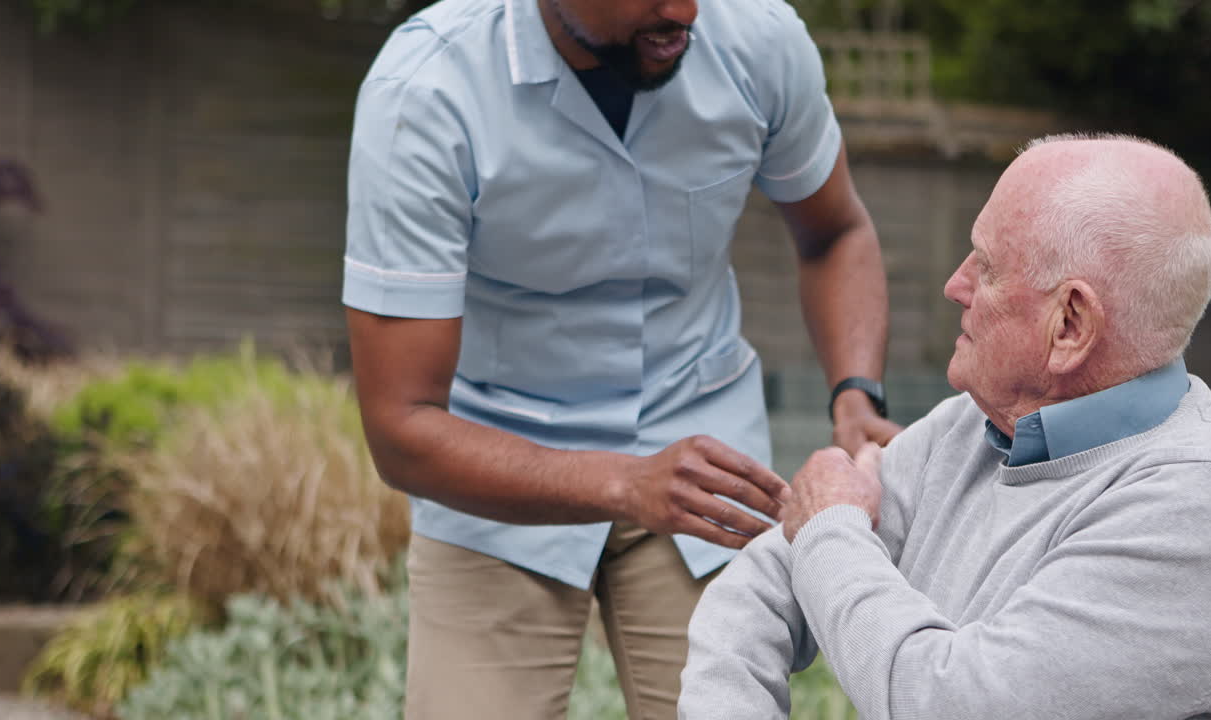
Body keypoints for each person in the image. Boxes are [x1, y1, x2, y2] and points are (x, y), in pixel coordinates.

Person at [341, 0, 900, 717]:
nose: (685, 11)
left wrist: (856, 398)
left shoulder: (757, 41)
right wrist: (623, 482)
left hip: (707, 466)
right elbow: (402, 430)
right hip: (493, 468)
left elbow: (836, 233)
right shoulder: (425, 93)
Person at [679, 134, 1211, 719]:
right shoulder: (981, 419)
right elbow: (757, 590)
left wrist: (830, 524)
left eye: (985, 268)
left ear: (1070, 324)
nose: (954, 286)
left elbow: (945, 703)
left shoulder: (1192, 514)